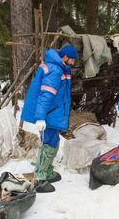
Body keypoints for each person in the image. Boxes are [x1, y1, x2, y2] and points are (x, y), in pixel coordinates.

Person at [21, 44, 78, 193]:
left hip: (54, 112)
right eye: (72, 60)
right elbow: (45, 96)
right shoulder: (55, 70)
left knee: (54, 141)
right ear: (65, 57)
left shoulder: (60, 67)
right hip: (48, 113)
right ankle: (39, 178)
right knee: (48, 144)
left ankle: (46, 171)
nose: (73, 63)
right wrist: (40, 118)